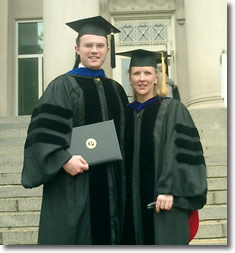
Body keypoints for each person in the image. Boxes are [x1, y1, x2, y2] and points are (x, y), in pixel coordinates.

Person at [21, 16, 129, 245]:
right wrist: (62, 159)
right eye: (88, 45)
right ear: (77, 48)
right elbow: (42, 132)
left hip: (113, 187)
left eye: (100, 46)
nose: (94, 51)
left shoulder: (116, 90)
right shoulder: (62, 85)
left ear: (107, 50)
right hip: (76, 184)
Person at [117, 49, 207, 245]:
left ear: (156, 78)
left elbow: (184, 155)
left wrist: (170, 189)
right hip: (128, 209)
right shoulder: (123, 115)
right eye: (136, 73)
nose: (142, 79)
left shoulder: (173, 109)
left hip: (163, 203)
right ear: (130, 78)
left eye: (147, 73)